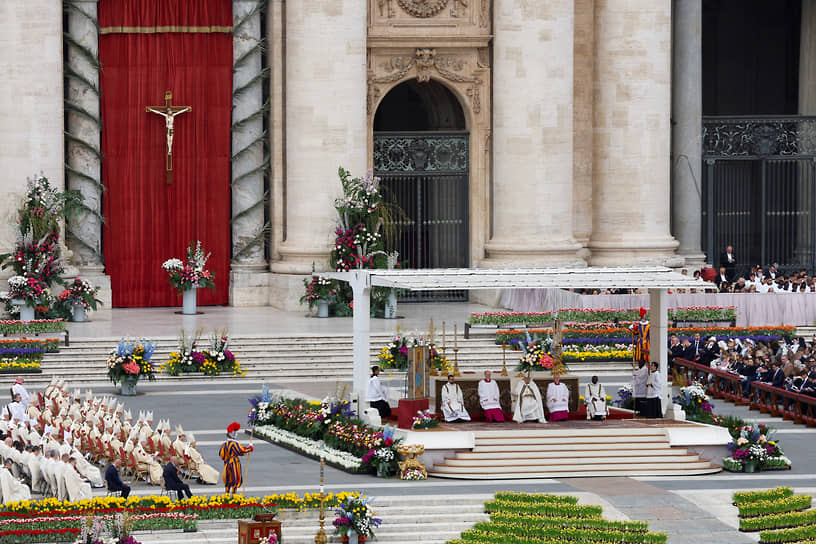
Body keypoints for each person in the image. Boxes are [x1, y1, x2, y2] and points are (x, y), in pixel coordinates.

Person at [219, 422, 253, 494]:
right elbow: (241, 451)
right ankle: (234, 496)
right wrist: (249, 448)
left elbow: (221, 454)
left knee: (228, 480)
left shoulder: (224, 444)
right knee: (235, 480)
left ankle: (226, 495)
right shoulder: (234, 444)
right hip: (234, 464)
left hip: (227, 463)